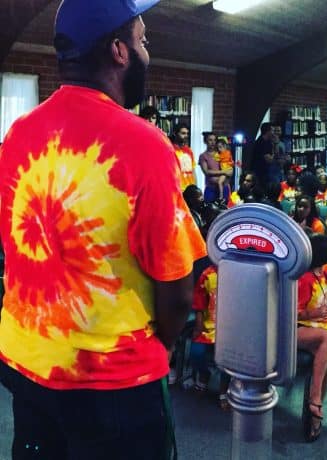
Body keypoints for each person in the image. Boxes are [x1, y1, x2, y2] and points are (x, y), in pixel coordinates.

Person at [0, 1, 206, 456]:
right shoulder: (145, 144)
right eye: (143, 41)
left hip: (27, 366)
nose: (147, 53)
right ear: (119, 51)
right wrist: (159, 348)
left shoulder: (17, 135)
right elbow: (176, 290)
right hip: (113, 385)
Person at [296, 234, 327, 442]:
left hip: (319, 335)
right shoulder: (304, 279)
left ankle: (315, 414)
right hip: (299, 330)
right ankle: (315, 400)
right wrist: (314, 313)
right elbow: (291, 313)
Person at [189, 262, 227, 407]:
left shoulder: (239, 273)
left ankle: (224, 390)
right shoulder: (208, 274)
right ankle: (204, 374)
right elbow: (199, 304)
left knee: (228, 360)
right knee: (196, 353)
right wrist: (198, 326)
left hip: (230, 329)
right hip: (208, 327)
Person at [198, 131, 230, 203]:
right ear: (205, 141)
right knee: (209, 208)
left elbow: (229, 167)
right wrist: (223, 172)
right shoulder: (203, 156)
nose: (213, 142)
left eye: (214, 140)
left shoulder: (221, 153)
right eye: (210, 140)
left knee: (224, 208)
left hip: (224, 187)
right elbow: (206, 171)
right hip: (211, 188)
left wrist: (228, 172)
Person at [170, 122, 196, 191]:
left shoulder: (189, 150)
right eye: (183, 133)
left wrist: (195, 187)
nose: (186, 136)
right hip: (177, 188)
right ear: (175, 134)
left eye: (187, 133)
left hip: (190, 188)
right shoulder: (171, 150)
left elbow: (193, 170)